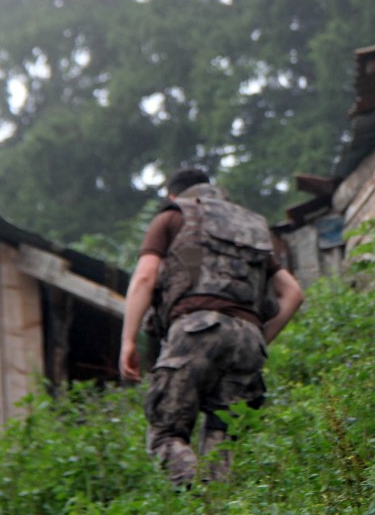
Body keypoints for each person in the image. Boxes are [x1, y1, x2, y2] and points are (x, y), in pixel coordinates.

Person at [120, 168, 304, 488]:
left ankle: (196, 498)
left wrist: (128, 341)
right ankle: (216, 499)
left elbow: (146, 277)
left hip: (195, 328)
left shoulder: (172, 216)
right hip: (248, 340)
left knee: (166, 432)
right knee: (223, 440)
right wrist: (258, 338)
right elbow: (293, 293)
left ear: (173, 195)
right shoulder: (251, 228)